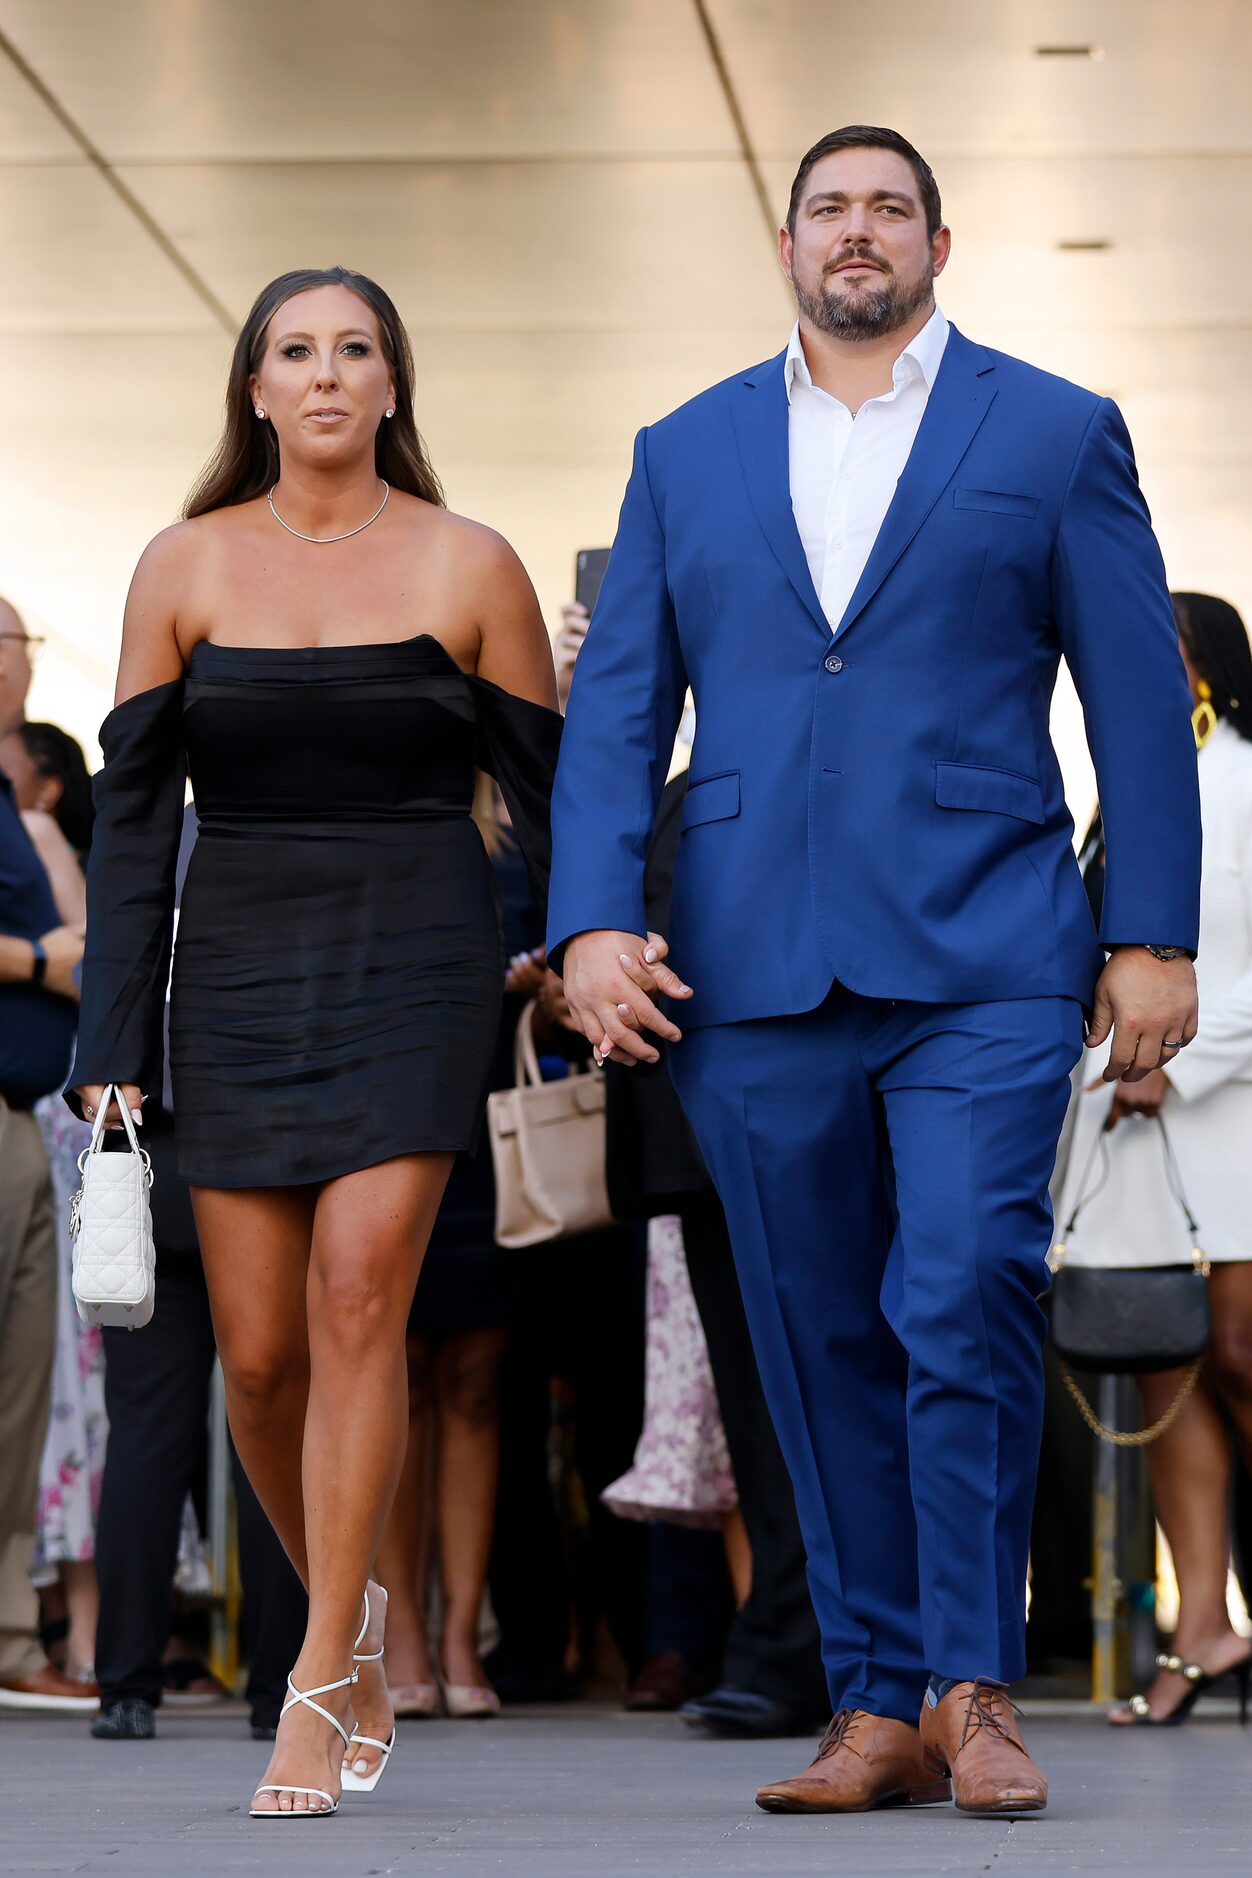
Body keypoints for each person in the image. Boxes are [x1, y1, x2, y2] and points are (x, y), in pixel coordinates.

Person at [546, 125, 1201, 1816]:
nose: (858, 233)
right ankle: (873, 1698)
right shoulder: (682, 451)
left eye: (887, 208)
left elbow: (1135, 695)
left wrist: (1152, 933)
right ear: (786, 247)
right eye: (827, 208)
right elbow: (620, 710)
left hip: (986, 946)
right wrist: (592, 921)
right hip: (750, 965)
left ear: (938, 241)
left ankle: (973, 1683)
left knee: (960, 1287)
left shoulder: (1052, 431)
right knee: (809, 1331)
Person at [67, 265, 561, 1817]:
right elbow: (135, 832)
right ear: (258, 390)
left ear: (394, 385)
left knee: (363, 1305)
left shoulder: (472, 561)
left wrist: (545, 949)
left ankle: (311, 1686)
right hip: (229, 973)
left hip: (418, 962)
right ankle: (351, 1624)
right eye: (298, 351)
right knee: (261, 1358)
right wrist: (113, 1040)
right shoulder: (182, 565)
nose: (329, 372)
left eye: (357, 349)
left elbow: (555, 802)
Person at [1056, 592, 1252, 1727]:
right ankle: (1201, 1633)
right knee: (1172, 1372)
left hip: (1225, 1116)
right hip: (1129, 1140)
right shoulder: (1112, 802)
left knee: (1237, 1356)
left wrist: (1178, 1061)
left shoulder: (1240, 776)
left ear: (1196, 666)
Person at [0, 601, 96, 1712]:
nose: (27, 663)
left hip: (24, 1115)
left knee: (25, 1394)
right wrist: (34, 960)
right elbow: (61, 953)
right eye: (17, 642)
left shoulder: (13, 801)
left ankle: (12, 1631)